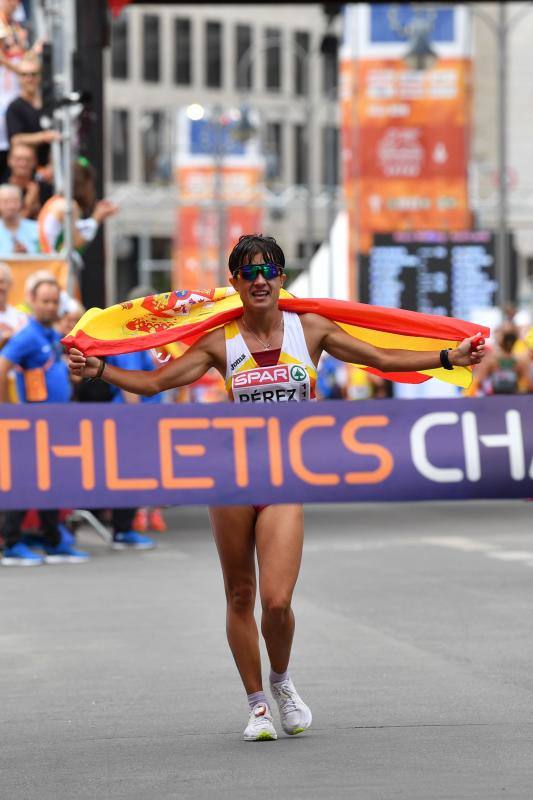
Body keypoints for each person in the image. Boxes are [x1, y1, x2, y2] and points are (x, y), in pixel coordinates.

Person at [67, 234, 486, 742]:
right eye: (248, 273)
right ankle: (257, 705)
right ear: (235, 283)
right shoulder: (222, 341)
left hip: (285, 476)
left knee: (278, 602)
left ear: (282, 279)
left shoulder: (309, 330)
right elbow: (158, 384)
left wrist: (448, 356)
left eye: (268, 271)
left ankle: (282, 680)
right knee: (240, 593)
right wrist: (102, 369)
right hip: (232, 475)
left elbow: (381, 358)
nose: (259, 279)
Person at [0, 275, 89, 565]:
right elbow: (2, 367)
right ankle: (11, 543)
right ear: (33, 302)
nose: (50, 306)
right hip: (32, 424)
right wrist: (9, 408)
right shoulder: (26, 335)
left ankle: (52, 541)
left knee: (52, 481)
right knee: (26, 481)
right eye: (45, 301)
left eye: (54, 301)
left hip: (57, 421)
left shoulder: (52, 334)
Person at [37, 158, 117, 254]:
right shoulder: (69, 205)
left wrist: (98, 215)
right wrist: (97, 218)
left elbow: (75, 229)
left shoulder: (57, 201)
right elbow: (73, 243)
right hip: (50, 263)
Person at [6, 53, 60, 174]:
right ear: (19, 78)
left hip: (51, 171)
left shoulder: (49, 103)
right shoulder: (15, 107)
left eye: (33, 74)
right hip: (26, 172)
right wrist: (44, 136)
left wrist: (51, 166)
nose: (29, 79)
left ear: (39, 76)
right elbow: (16, 139)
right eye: (24, 75)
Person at [7, 141, 52, 218]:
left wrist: (36, 203)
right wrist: (28, 207)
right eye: (18, 159)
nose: (23, 164)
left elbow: (47, 222)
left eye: (28, 160)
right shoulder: (2, 185)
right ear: (9, 160)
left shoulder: (45, 188)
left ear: (35, 162)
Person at [0, 181, 38, 252]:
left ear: (21, 203)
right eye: (5, 201)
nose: (11, 206)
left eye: (15, 201)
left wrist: (26, 254)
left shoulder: (37, 229)